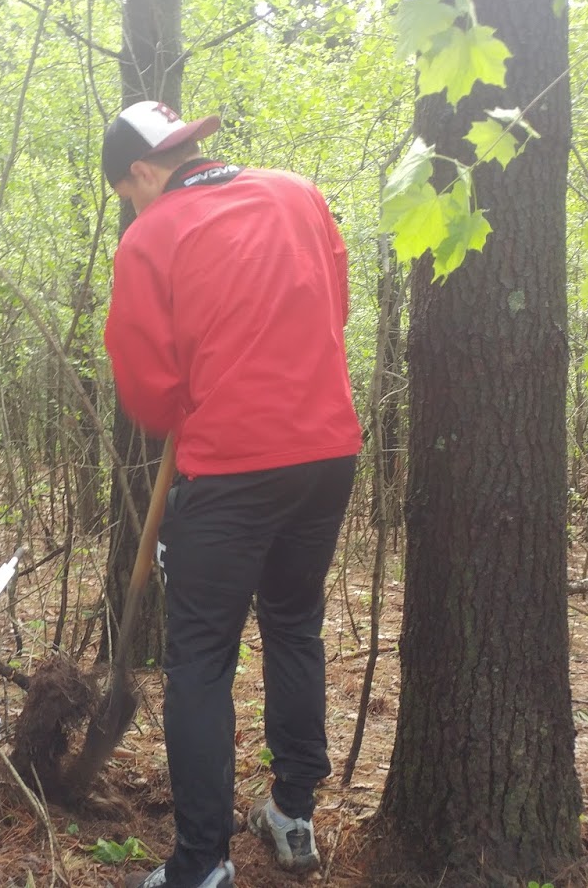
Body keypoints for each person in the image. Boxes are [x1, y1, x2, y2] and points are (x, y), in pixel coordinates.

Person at [100, 102, 362, 888]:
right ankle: (292, 812)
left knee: (201, 661)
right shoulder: (297, 192)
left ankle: (201, 864)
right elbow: (334, 307)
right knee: (292, 624)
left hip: (233, 466)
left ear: (142, 172)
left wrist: (195, 402)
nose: (132, 208)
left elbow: (147, 387)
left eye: (126, 193)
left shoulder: (150, 234)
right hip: (328, 452)